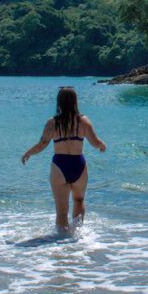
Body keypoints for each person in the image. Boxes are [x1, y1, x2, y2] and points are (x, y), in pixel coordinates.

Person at [21, 86, 106, 231]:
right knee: (79, 201)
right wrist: (102, 145)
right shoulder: (83, 121)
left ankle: (61, 242)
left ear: (59, 102)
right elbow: (95, 142)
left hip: (59, 166)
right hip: (78, 164)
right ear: (75, 102)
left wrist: (28, 153)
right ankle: (77, 236)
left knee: (61, 210)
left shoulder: (53, 122)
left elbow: (42, 144)